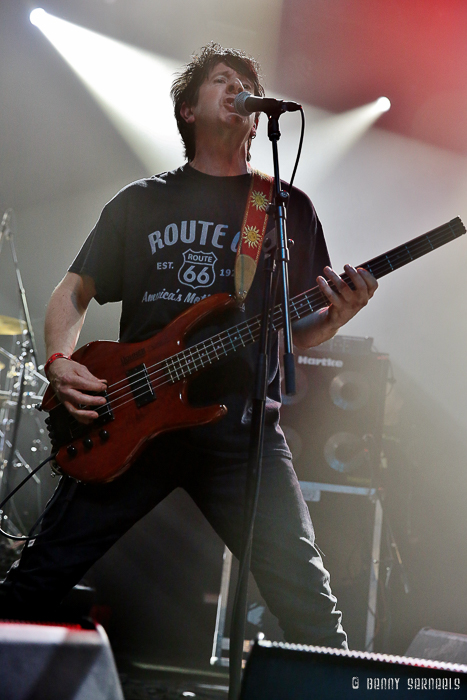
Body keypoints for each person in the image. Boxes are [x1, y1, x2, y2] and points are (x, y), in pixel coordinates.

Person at [0, 43, 377, 649]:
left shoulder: (283, 209)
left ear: (259, 117)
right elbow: (74, 293)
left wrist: (335, 321)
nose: (238, 90)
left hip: (242, 435)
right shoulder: (142, 201)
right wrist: (60, 361)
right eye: (222, 81)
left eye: (247, 84)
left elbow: (294, 325)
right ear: (188, 110)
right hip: (134, 416)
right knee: (33, 585)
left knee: (313, 615)